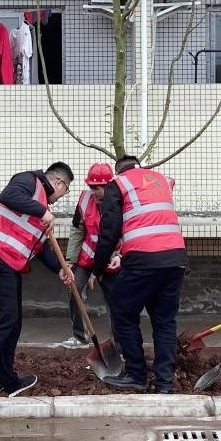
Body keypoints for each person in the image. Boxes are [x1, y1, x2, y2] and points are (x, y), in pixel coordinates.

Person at [0, 163, 76, 402]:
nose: (62, 197)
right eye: (66, 190)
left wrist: (60, 269)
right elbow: (9, 196)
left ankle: (7, 381)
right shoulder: (29, 181)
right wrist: (42, 211)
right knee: (4, 319)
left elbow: (41, 248)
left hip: (8, 264)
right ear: (59, 183)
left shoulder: (42, 210)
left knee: (12, 323)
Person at [93, 155, 187, 393]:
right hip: (175, 258)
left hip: (143, 259)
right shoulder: (161, 181)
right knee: (165, 321)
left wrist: (98, 268)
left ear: (119, 171)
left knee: (122, 311)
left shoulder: (120, 183)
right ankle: (165, 384)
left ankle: (136, 374)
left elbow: (109, 230)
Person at [59, 163, 121, 349]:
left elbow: (127, 231)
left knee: (116, 301)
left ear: (109, 186)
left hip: (111, 261)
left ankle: (119, 343)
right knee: (75, 290)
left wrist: (121, 254)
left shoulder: (120, 201)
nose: (94, 191)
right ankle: (80, 336)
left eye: (98, 187)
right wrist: (70, 260)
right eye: (91, 187)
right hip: (87, 260)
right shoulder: (85, 200)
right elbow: (78, 230)